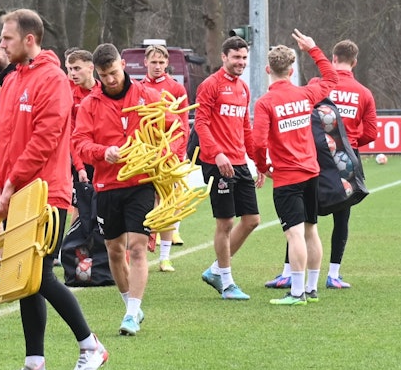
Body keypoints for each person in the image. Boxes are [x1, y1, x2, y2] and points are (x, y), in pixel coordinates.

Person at [0, 9, 107, 370]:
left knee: (38, 275)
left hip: (46, 194)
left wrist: (13, 183)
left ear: (29, 40)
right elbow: (4, 140)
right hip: (16, 192)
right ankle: (34, 366)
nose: (1, 45)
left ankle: (91, 346)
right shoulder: (10, 82)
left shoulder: (53, 79)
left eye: (7, 39)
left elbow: (46, 138)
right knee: (27, 279)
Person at [72, 43, 171, 337]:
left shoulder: (147, 96)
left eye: (114, 72)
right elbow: (79, 144)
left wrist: (165, 159)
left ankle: (130, 314)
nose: (111, 80)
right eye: (104, 76)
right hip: (106, 184)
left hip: (140, 183)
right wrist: (104, 152)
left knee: (138, 248)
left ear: (123, 65)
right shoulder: (90, 104)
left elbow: (173, 128)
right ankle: (131, 306)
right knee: (115, 250)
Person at [267, 40, 377, 290]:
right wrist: (347, 141)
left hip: (314, 156)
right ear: (355, 62)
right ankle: (334, 274)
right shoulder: (364, 93)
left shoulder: (315, 85)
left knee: (302, 217)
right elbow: (371, 132)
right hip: (345, 161)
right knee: (342, 216)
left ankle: (288, 273)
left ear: (333, 58)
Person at [251, 30, 338, 305]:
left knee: (294, 233)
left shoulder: (266, 102)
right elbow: (332, 79)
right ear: (291, 70)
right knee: (311, 229)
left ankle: (297, 292)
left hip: (287, 178)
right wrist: (313, 48)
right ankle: (311, 288)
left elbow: (257, 141)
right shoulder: (305, 94)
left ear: (268, 69)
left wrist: (263, 166)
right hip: (311, 172)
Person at [194, 35, 264, 301]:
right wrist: (217, 154)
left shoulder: (243, 89)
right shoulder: (210, 86)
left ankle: (215, 270)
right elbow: (201, 124)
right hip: (217, 162)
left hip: (239, 162)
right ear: (224, 58)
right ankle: (227, 282)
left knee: (252, 220)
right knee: (225, 223)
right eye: (236, 57)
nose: (241, 62)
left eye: (244, 58)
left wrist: (257, 160)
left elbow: (245, 127)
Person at [142, 44, 190, 272]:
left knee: (168, 204)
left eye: (161, 62)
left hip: (169, 155)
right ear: (145, 63)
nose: (158, 66)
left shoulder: (176, 88)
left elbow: (183, 124)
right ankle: (141, 249)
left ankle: (165, 257)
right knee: (144, 203)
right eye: (154, 62)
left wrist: (179, 154)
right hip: (145, 156)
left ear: (167, 63)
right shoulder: (137, 88)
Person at [65, 48, 98, 185]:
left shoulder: (103, 93)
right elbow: (72, 136)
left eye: (77, 68)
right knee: (81, 205)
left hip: (105, 159)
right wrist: (79, 167)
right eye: (71, 69)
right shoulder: (71, 97)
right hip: (82, 161)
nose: (73, 73)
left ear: (91, 68)